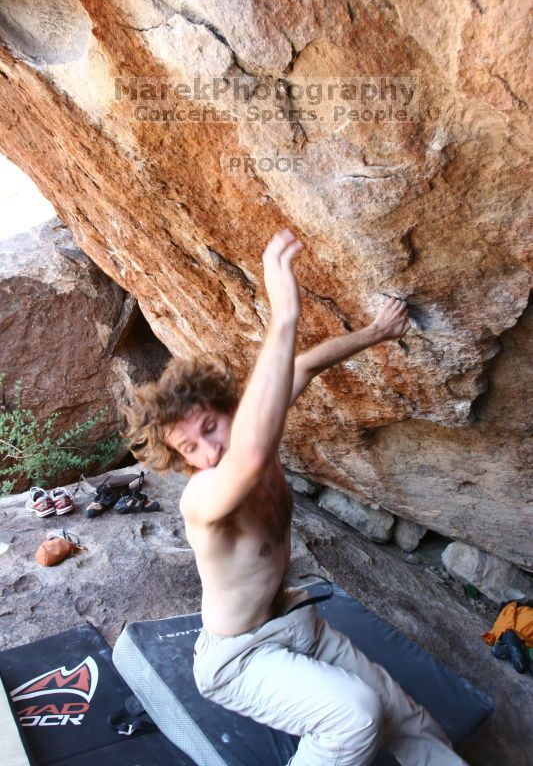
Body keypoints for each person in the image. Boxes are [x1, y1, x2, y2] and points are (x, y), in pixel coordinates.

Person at [124, 229, 468, 766]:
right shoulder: (205, 496)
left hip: (294, 623)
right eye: (189, 448)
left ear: (233, 411)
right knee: (354, 714)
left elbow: (303, 366)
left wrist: (377, 332)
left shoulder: (249, 437)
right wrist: (283, 312)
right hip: (239, 659)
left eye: (211, 428)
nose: (207, 453)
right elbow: (250, 457)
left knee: (407, 719)